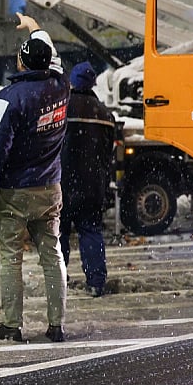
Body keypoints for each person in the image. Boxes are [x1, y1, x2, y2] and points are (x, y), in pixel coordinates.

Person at [0, 12, 70, 343]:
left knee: (11, 259)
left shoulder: (9, 100)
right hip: (50, 187)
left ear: (22, 64)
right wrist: (34, 25)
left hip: (15, 191)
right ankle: (56, 325)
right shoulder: (61, 86)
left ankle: (12, 325)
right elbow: (49, 52)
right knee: (52, 254)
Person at [59, 61, 116, 298]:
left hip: (62, 183)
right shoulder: (104, 114)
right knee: (91, 231)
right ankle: (95, 282)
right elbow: (107, 153)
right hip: (92, 186)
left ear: (72, 82)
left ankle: (59, 280)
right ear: (93, 83)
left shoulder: (61, 109)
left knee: (59, 233)